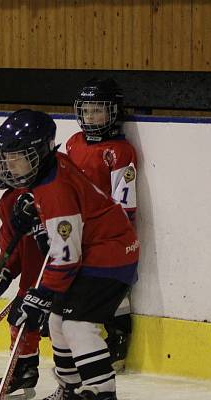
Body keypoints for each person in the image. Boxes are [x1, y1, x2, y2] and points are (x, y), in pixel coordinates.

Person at [0, 109, 139, 400]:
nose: (9, 166)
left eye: (18, 158)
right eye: (6, 158)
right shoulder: (50, 168)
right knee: (58, 321)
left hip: (110, 255)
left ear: (39, 153)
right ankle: (72, 396)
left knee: (76, 325)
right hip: (98, 250)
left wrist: (39, 296)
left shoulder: (53, 188)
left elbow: (66, 258)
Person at [66, 78, 139, 372]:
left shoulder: (120, 152)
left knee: (110, 288)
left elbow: (124, 203)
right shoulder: (73, 143)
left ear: (114, 112)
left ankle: (117, 339)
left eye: (98, 110)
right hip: (76, 231)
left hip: (107, 236)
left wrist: (101, 231)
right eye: (86, 110)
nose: (91, 117)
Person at [0, 128, 47, 400]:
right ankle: (24, 372)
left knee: (66, 328)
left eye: (3, 161)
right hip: (34, 278)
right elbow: (12, 247)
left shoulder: (45, 187)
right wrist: (1, 273)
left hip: (64, 273)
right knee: (20, 315)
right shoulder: (8, 201)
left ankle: (79, 387)